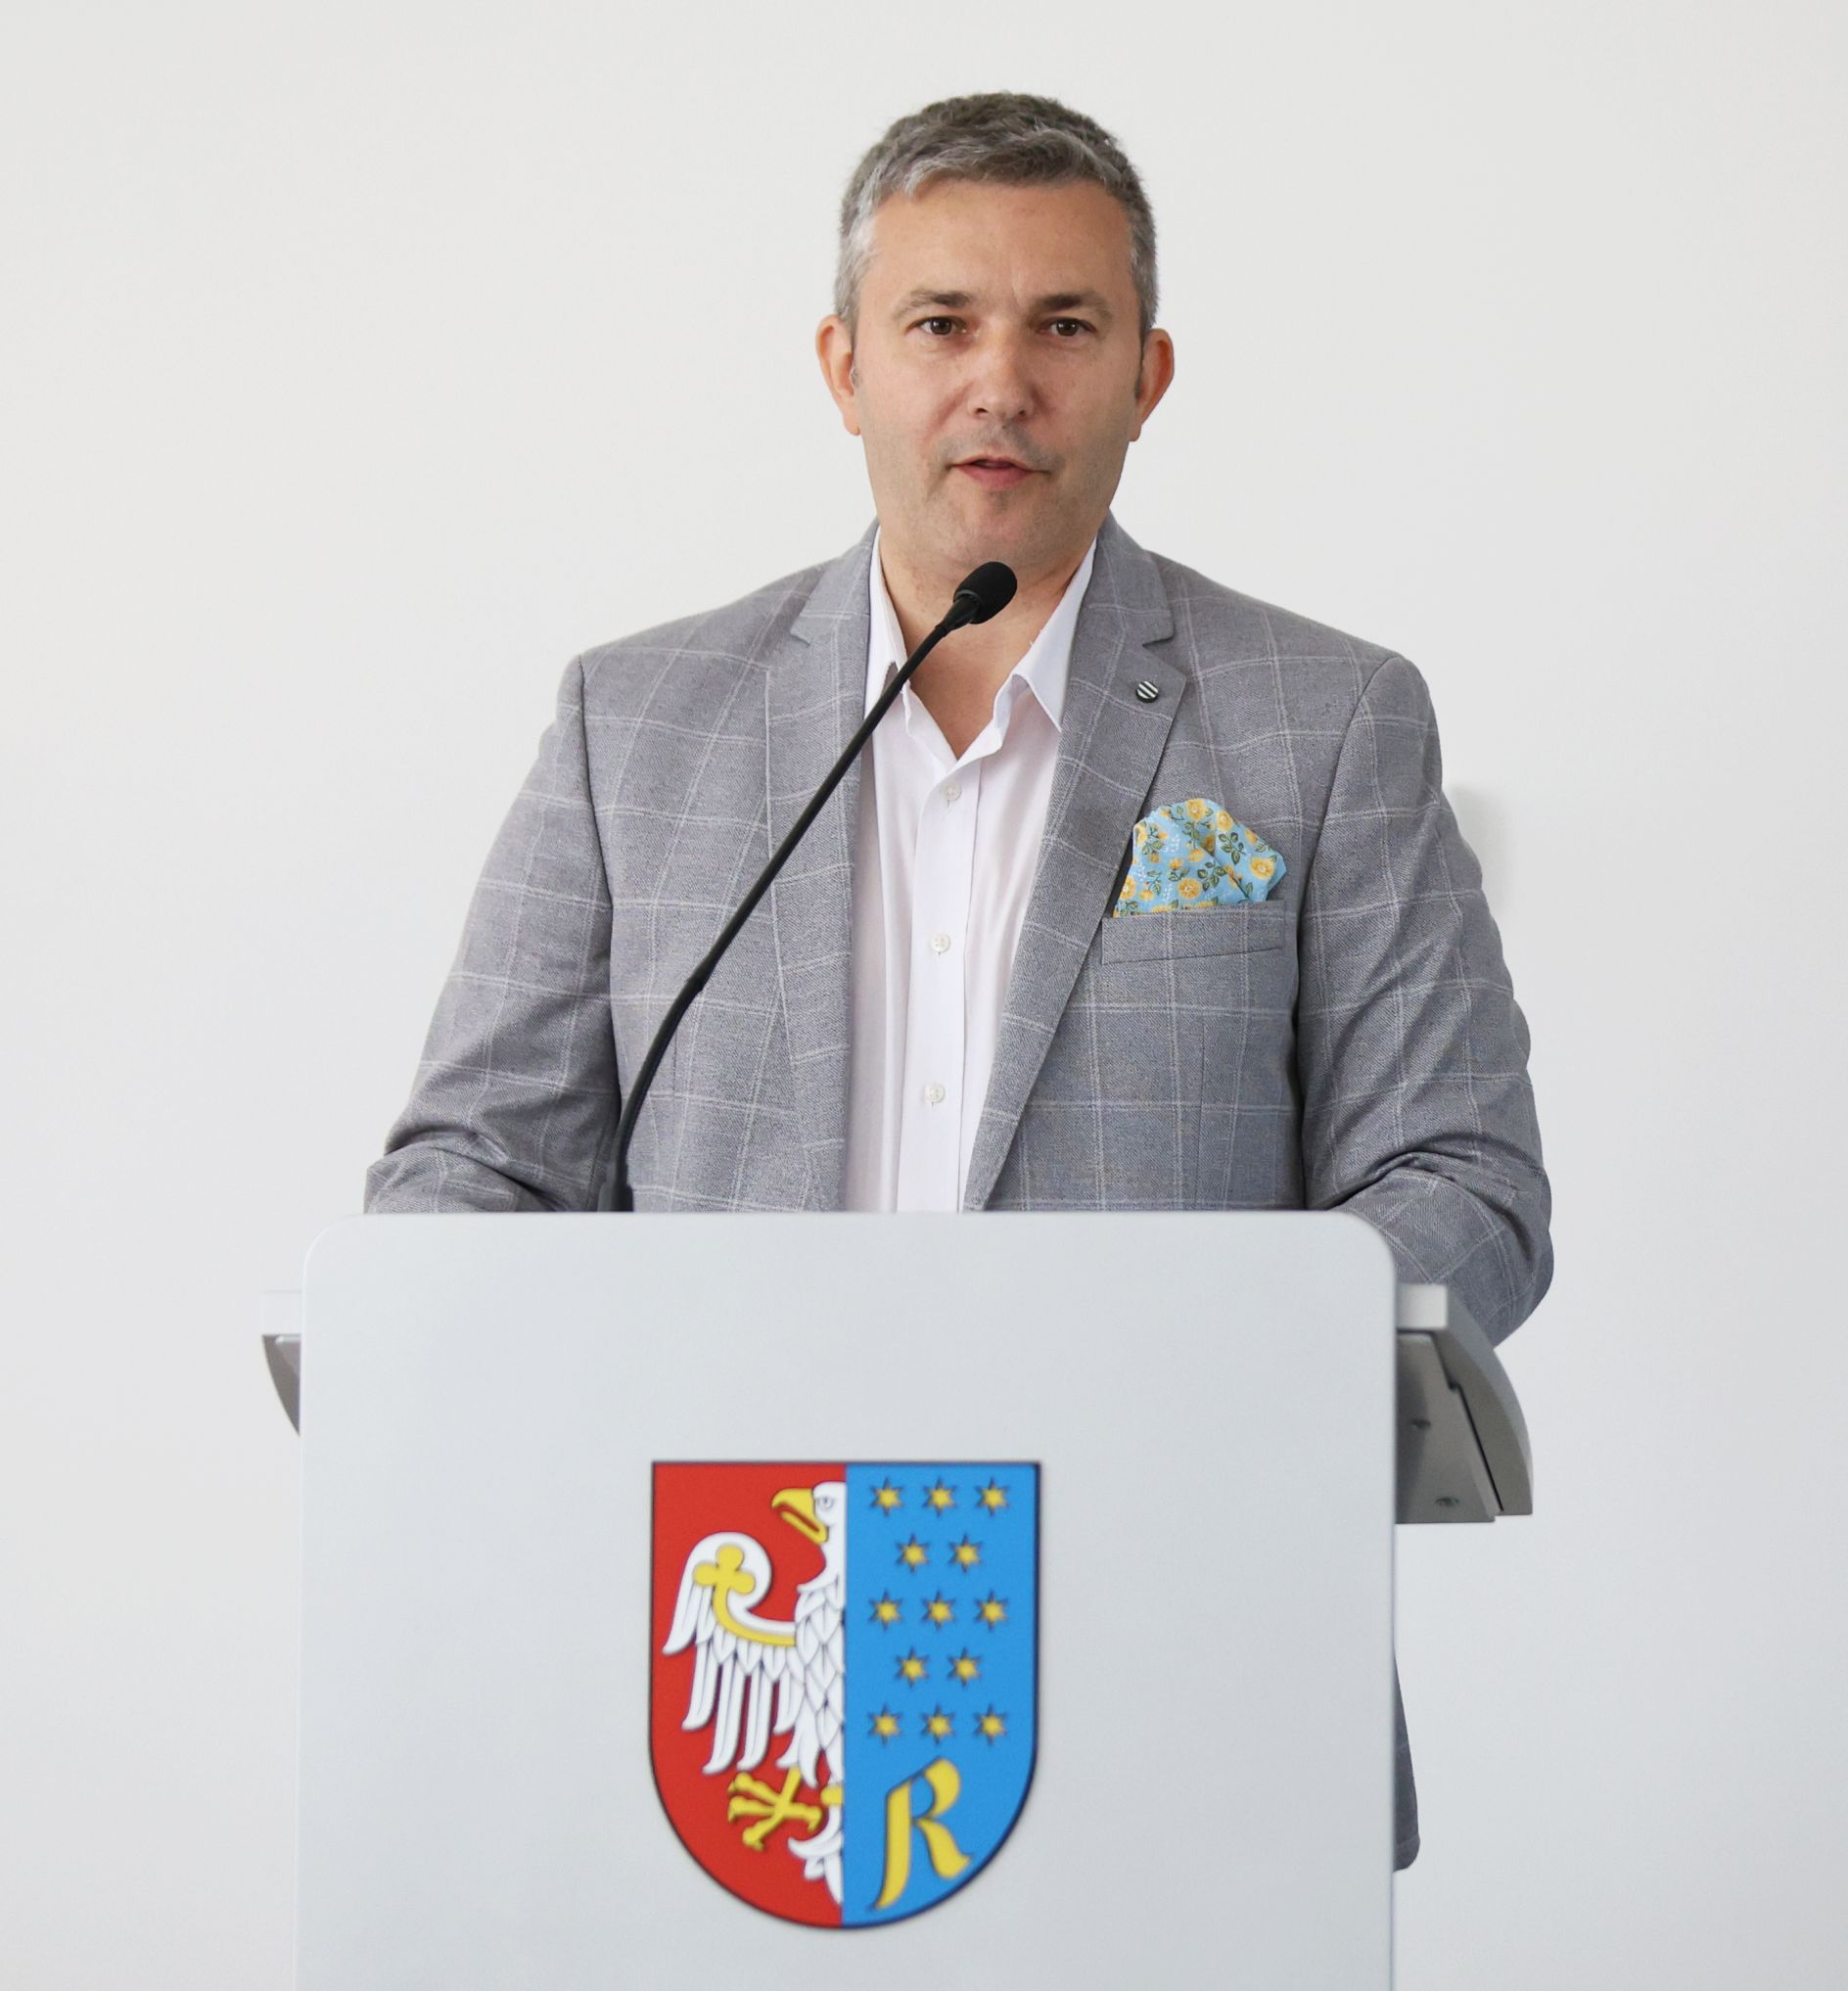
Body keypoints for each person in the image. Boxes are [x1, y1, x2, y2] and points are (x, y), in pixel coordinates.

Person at [364, 92, 1552, 1871]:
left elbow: (1468, 1188)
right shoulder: (640, 723)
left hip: (1186, 1647)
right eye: (941, 324)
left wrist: (1179, 1359)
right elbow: (467, 1170)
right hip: (722, 1676)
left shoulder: (1327, 722)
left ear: (1149, 375)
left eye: (1064, 326)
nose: (1002, 381)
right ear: (845, 367)